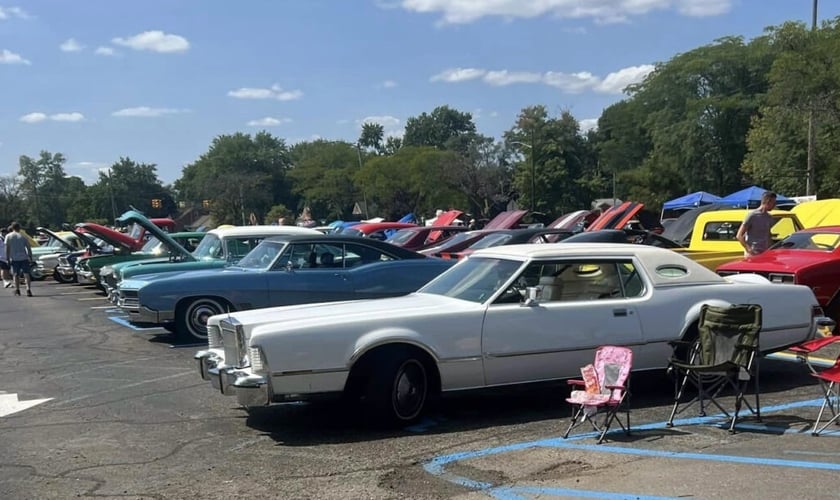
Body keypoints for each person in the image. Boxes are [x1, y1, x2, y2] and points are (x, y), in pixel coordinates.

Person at [736, 191, 777, 257]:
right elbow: (739, 235)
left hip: (765, 253)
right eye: (774, 203)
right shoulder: (752, 216)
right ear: (768, 201)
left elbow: (768, 235)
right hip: (753, 253)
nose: (775, 205)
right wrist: (748, 249)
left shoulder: (769, 217)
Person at [5, 221, 33, 296]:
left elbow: (7, 248)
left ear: (12, 228)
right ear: (19, 228)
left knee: (15, 274)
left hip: (14, 258)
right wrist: (30, 256)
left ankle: (17, 290)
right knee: (26, 274)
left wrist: (7, 258)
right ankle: (28, 289)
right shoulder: (23, 236)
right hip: (24, 257)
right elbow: (28, 248)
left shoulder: (8, 236)